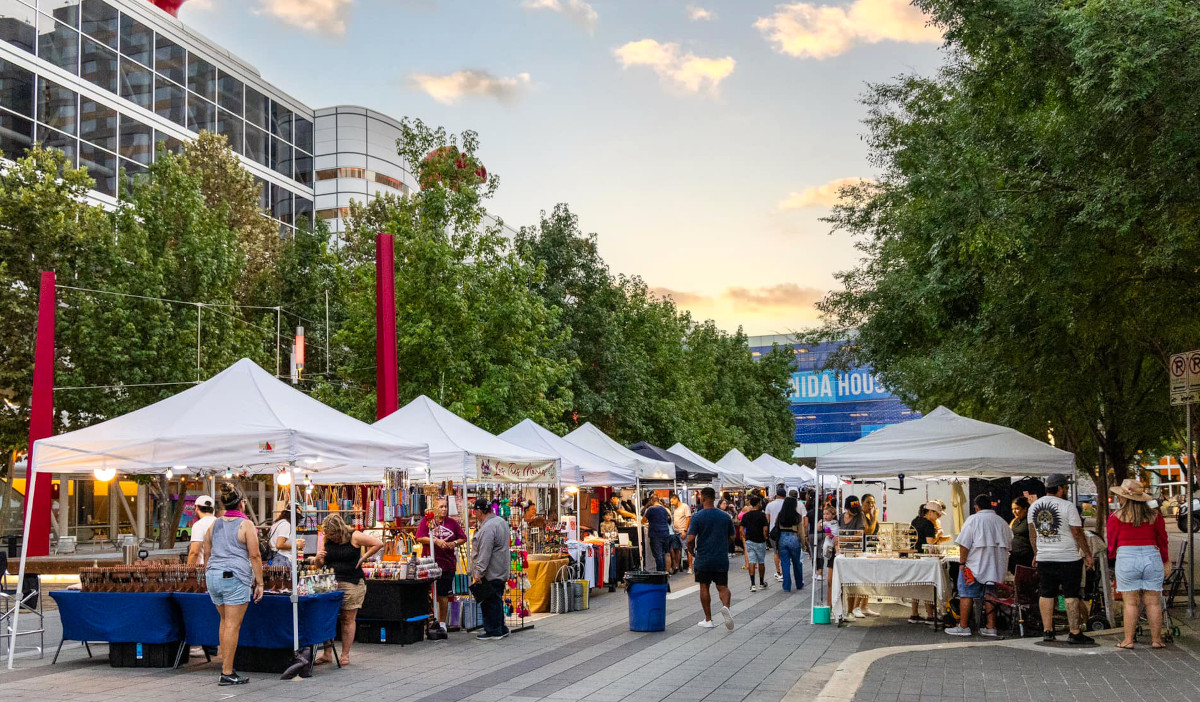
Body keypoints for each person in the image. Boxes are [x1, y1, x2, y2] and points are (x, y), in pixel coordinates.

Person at [202, 484, 263, 686]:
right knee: (232, 625)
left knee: (224, 621)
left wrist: (209, 574)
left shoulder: (214, 524)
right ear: (241, 503)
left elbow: (207, 553)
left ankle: (226, 667)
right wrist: (260, 582)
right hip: (234, 577)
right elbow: (255, 555)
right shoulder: (245, 525)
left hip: (213, 576)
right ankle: (227, 672)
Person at [1029, 473, 1094, 644]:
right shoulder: (1068, 506)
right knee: (1070, 594)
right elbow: (1077, 532)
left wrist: (1037, 553)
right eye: (1065, 487)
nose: (1066, 490)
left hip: (1045, 556)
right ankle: (1074, 632)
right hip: (1068, 557)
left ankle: (1048, 630)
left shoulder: (1034, 506)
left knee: (1046, 593)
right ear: (1059, 489)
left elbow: (1032, 535)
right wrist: (1087, 554)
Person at [1107, 479, 1171, 650]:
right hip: (1152, 556)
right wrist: (1166, 561)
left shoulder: (1115, 517)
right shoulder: (1154, 516)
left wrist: (1113, 558)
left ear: (1124, 498)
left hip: (1127, 557)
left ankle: (1128, 640)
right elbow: (1162, 540)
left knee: (1130, 602)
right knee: (1154, 601)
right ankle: (1156, 640)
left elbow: (1112, 544)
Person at [313, 514, 383, 665]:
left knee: (347, 618)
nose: (330, 537)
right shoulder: (327, 539)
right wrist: (318, 559)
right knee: (328, 616)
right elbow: (319, 565)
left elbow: (378, 543)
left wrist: (363, 558)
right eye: (328, 534)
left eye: (332, 534)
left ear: (339, 530)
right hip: (330, 582)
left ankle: (345, 654)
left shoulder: (354, 536)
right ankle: (327, 653)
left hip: (352, 582)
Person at [945, 494, 1012, 637]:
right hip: (996, 567)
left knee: (966, 594)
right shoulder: (1001, 522)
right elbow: (1009, 545)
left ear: (976, 507)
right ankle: (991, 627)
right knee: (990, 596)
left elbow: (964, 544)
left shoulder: (973, 520)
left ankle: (963, 627)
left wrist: (962, 563)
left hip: (974, 565)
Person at [416, 498, 468, 631]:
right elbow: (419, 537)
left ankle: (443, 623)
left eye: (445, 506)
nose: (444, 509)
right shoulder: (427, 522)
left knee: (443, 594)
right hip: (429, 564)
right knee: (425, 593)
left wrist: (454, 543)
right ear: (434, 508)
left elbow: (463, 538)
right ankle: (426, 620)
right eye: (441, 506)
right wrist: (435, 541)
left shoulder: (452, 523)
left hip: (447, 564)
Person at [687, 486, 735, 630]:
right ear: (714, 498)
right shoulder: (725, 516)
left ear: (702, 498)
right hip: (720, 557)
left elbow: (690, 539)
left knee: (704, 586)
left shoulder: (697, 516)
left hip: (704, 557)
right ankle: (726, 607)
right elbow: (732, 537)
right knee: (723, 587)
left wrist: (691, 550)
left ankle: (708, 620)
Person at [470, 497, 512, 640]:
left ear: (480, 511)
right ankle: (501, 627)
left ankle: (493, 630)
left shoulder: (488, 528)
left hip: (491, 571)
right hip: (501, 569)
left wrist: (478, 573)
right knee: (496, 600)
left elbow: (485, 552)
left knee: (490, 601)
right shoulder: (501, 522)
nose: (474, 514)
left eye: (475, 511)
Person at [839, 495, 876, 617]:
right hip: (843, 553)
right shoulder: (842, 517)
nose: (870, 505)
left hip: (858, 552)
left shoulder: (861, 516)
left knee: (859, 580)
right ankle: (848, 609)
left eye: (872, 503)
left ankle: (855, 609)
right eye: (868, 502)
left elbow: (863, 533)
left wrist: (842, 538)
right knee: (848, 581)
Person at [908, 501, 943, 623]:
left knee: (916, 584)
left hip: (914, 555)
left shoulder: (915, 521)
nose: (938, 517)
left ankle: (914, 613)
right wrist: (939, 534)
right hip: (925, 557)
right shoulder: (928, 524)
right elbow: (930, 542)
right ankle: (930, 615)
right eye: (937, 514)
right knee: (928, 584)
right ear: (931, 512)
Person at [776, 495, 806, 592]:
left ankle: (786, 586)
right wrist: (804, 544)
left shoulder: (780, 515)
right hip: (794, 537)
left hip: (782, 538)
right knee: (797, 562)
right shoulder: (797, 516)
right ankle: (799, 583)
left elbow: (776, 527)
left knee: (785, 563)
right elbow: (801, 531)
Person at [741, 495, 770, 591]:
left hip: (749, 540)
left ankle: (753, 584)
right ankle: (761, 582)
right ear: (758, 504)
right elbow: (765, 529)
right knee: (761, 561)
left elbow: (741, 529)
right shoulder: (762, 515)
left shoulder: (746, 515)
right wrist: (765, 537)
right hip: (760, 541)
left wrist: (745, 537)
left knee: (752, 561)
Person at [267, 503, 305, 569]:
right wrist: (296, 545)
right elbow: (279, 544)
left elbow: (271, 543)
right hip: (282, 559)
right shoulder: (286, 525)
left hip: (275, 558)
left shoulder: (277, 523)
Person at [816, 504, 838, 604]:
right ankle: (826, 554)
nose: (825, 516)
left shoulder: (836, 522)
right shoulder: (825, 523)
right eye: (824, 514)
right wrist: (820, 523)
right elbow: (818, 528)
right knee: (826, 547)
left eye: (827, 514)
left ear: (833, 515)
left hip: (836, 541)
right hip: (829, 541)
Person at [644, 496, 673, 572]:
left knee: (658, 555)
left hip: (656, 534)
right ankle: (665, 572)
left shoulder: (651, 509)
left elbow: (643, 520)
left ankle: (660, 573)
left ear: (651, 501)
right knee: (665, 553)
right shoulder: (664, 509)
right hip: (666, 533)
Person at [764, 488, 786, 582]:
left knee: (776, 552)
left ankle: (778, 572)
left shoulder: (770, 505)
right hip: (785, 530)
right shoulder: (786, 505)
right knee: (784, 552)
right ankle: (784, 571)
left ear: (776, 494)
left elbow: (767, 520)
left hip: (773, 531)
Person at [187, 495, 216, 565]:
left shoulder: (199, 525)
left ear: (197, 508)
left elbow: (194, 552)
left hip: (203, 569)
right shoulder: (220, 522)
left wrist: (188, 572)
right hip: (219, 568)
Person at [1009, 497, 1034, 573]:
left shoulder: (1030, 521)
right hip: (1014, 556)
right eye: (1013, 509)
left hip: (1026, 556)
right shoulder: (1014, 521)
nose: (1014, 512)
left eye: (1017, 509)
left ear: (1025, 509)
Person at [669, 494, 691, 574]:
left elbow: (688, 518)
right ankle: (676, 566)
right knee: (676, 549)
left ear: (676, 499)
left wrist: (685, 530)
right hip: (676, 532)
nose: (671, 503)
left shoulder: (684, 506)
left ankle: (690, 567)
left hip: (683, 531)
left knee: (687, 549)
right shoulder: (675, 508)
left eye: (672, 501)